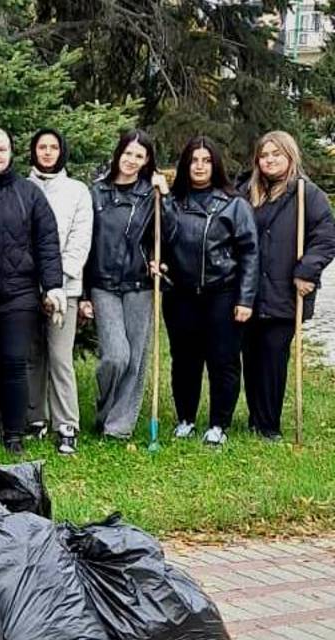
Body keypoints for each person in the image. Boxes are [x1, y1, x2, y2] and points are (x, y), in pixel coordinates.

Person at [0, 126, 63, 455]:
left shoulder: (29, 193)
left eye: (1, 150)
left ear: (11, 153)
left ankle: (15, 433)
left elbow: (47, 242)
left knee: (14, 361)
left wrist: (53, 286)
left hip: (19, 293)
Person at [159, 136, 258, 446]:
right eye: (193, 160)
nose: (199, 166)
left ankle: (219, 423)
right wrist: (156, 265)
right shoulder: (171, 202)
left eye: (206, 160)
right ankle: (186, 417)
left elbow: (250, 252)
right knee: (184, 360)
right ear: (185, 165)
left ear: (215, 164)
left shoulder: (234, 204)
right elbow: (158, 240)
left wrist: (245, 298)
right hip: (181, 294)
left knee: (222, 360)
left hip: (222, 292)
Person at [241, 131, 335, 440]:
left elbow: (325, 237)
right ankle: (255, 418)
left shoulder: (308, 195)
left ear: (290, 156)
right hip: (249, 292)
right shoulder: (247, 193)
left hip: (285, 293)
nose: (269, 160)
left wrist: (307, 271)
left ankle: (269, 425)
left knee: (273, 356)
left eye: (275, 154)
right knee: (251, 356)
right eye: (264, 155)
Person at [80, 129, 168, 440]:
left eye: (139, 156)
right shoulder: (97, 193)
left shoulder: (151, 195)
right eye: (128, 153)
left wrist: (165, 195)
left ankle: (119, 427)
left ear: (147, 162)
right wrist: (84, 293)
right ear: (119, 154)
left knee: (136, 359)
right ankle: (105, 412)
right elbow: (85, 244)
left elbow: (167, 234)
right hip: (103, 284)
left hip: (139, 284)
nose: (131, 160)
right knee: (116, 355)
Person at [25, 128, 93, 453]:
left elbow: (79, 244)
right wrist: (34, 281)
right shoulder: (22, 188)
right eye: (42, 147)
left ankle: (66, 424)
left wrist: (55, 283)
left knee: (59, 356)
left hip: (64, 288)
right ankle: (34, 418)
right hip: (26, 286)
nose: (48, 152)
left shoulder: (77, 191)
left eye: (54, 147)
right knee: (32, 355)